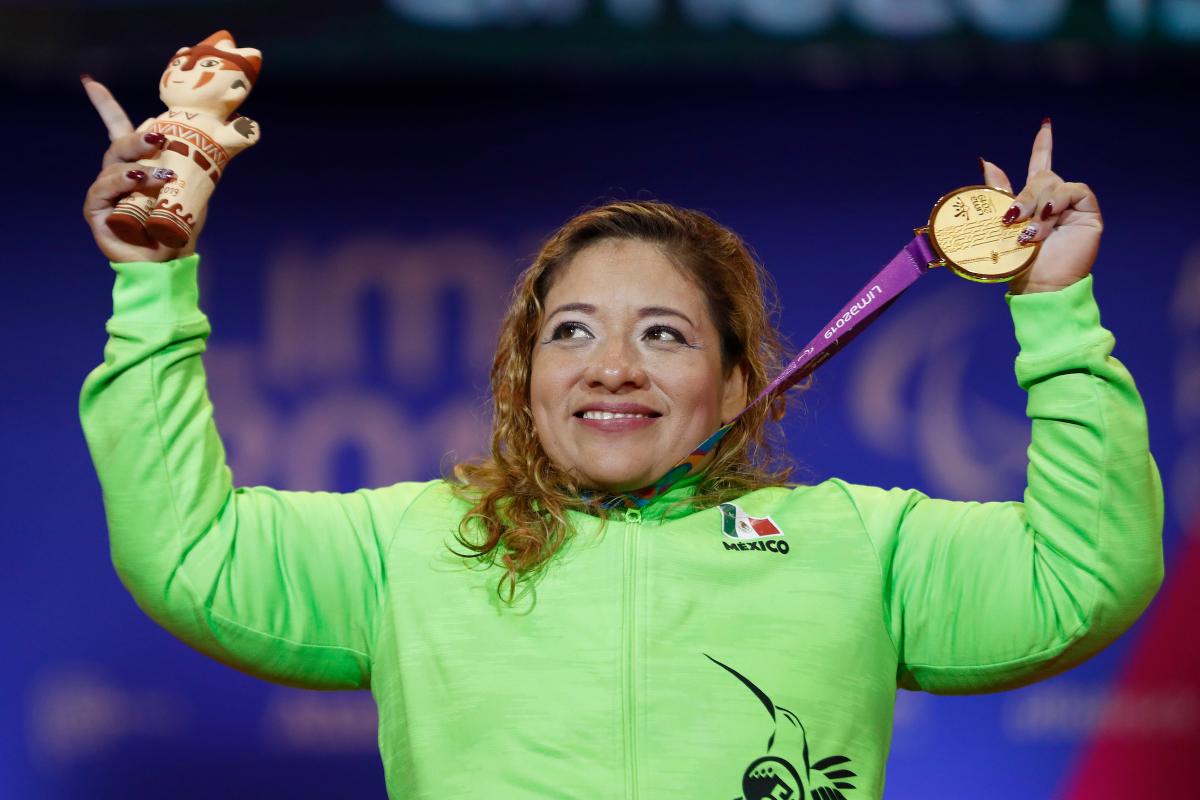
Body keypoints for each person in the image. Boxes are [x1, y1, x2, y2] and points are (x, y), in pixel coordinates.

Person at [80, 76, 1163, 800]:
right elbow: (188, 550)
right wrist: (151, 284)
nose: (612, 366)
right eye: (573, 333)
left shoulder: (858, 544)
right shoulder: (412, 543)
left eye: (663, 334)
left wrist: (1057, 310)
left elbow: (1081, 575)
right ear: (527, 375)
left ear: (742, 380)